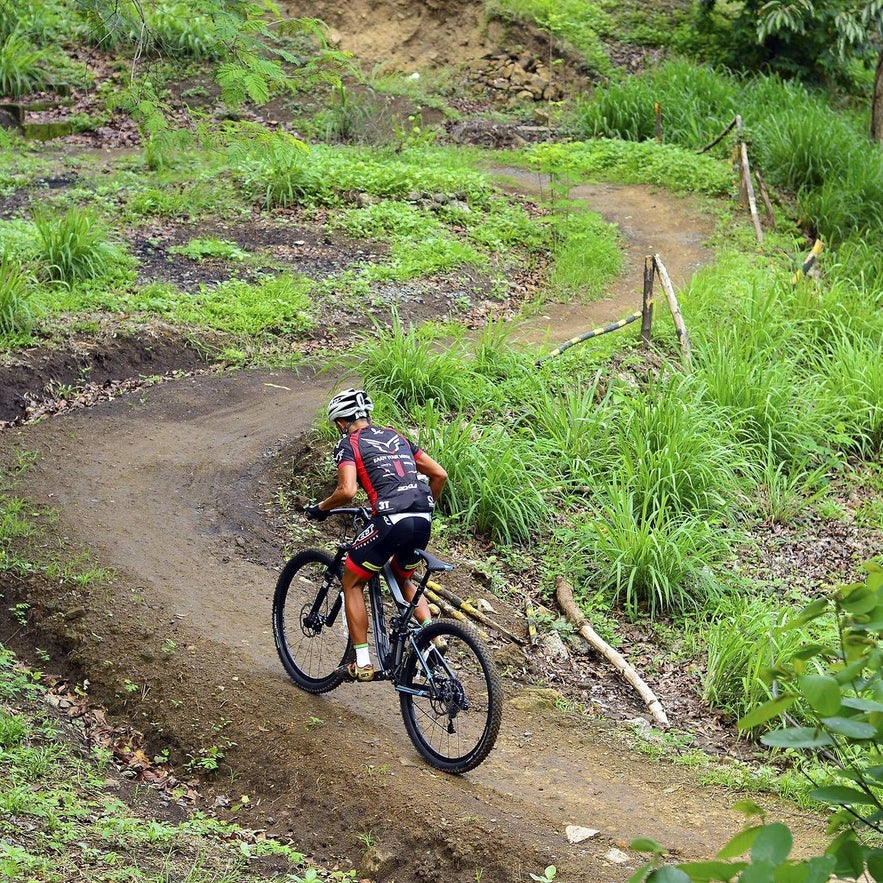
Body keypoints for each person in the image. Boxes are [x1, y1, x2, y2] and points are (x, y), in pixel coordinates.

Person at [305, 388, 447, 682]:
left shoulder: (349, 444)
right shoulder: (397, 437)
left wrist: (321, 508)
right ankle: (433, 637)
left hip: (391, 520)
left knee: (353, 582)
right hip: (422, 518)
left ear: (341, 422)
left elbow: (347, 491)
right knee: (403, 578)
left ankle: (363, 662)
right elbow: (440, 474)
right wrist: (422, 507)